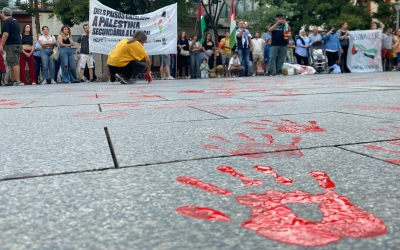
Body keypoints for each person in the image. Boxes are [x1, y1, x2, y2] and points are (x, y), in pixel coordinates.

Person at [0, 7, 23, 86]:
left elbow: (6, 34)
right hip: (17, 43)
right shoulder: (14, 20)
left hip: (11, 44)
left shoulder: (7, 21)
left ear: (4, 13)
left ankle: (17, 81)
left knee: (14, 62)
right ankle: (13, 81)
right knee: (13, 62)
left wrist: (1, 45)